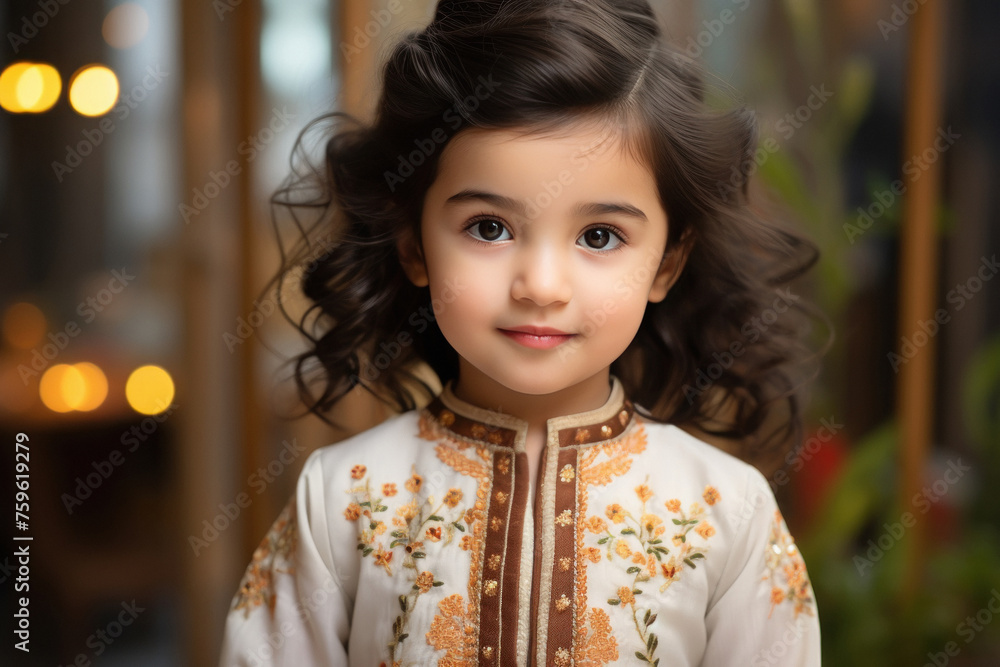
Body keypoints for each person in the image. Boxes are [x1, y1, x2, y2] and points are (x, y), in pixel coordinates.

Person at [220, 0, 823, 664]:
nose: (540, 284)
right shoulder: (342, 498)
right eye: (488, 227)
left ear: (667, 262)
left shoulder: (728, 512)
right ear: (414, 245)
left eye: (599, 236)